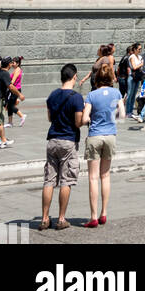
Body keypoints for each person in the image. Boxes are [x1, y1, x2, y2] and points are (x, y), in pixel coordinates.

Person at [41, 63, 85, 230]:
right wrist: (86, 119)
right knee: (65, 181)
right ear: (74, 76)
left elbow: (50, 118)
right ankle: (61, 218)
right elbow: (78, 122)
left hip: (52, 140)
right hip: (68, 141)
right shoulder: (76, 97)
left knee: (49, 181)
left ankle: (45, 218)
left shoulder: (52, 95)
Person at [81, 60, 124, 227]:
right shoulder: (117, 93)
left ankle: (93, 217)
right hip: (110, 136)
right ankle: (104, 213)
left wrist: (90, 120)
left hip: (95, 136)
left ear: (97, 78)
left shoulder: (92, 95)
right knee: (105, 176)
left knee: (93, 177)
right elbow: (122, 114)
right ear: (111, 78)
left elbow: (85, 118)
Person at [0, 55, 23, 149]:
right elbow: (10, 86)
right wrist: (20, 94)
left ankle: (3, 141)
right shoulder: (4, 73)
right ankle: (1, 140)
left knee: (0, 121)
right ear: (10, 64)